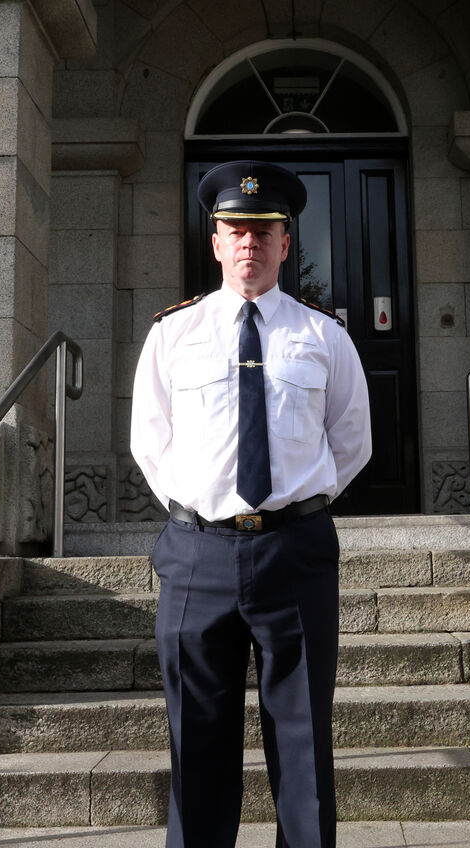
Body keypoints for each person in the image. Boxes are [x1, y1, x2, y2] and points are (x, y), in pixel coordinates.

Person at [130, 160, 371, 847]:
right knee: (197, 738)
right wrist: (203, 513)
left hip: (294, 552)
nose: (249, 244)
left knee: (301, 739)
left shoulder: (323, 335)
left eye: (265, 231)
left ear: (286, 243)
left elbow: (351, 442)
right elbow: (151, 443)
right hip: (197, 554)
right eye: (235, 229)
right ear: (214, 241)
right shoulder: (172, 335)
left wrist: (295, 509)